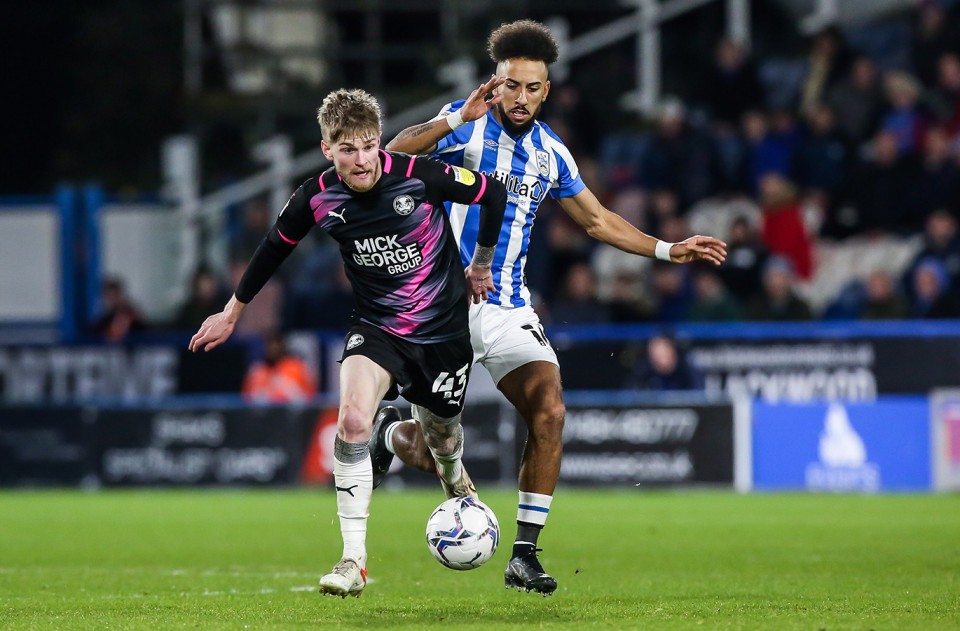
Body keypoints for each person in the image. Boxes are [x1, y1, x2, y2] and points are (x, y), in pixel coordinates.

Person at [376, 19, 728, 595]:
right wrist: (457, 117)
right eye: (511, 86)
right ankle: (388, 435)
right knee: (443, 451)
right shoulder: (463, 126)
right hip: (440, 308)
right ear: (496, 82)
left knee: (550, 410)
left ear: (547, 89)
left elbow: (596, 219)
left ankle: (524, 553)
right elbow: (391, 154)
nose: (520, 98)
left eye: (533, 88)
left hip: (509, 307)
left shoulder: (550, 153)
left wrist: (668, 248)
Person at [189, 88, 508, 598]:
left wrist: (482, 263)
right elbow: (273, 250)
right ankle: (352, 560)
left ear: (378, 141)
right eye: (347, 149)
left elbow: (492, 194)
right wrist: (232, 312)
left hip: (444, 332)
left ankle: (450, 477)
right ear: (327, 149)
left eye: (367, 146)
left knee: (442, 444)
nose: (360, 160)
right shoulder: (315, 196)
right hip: (377, 327)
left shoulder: (417, 174)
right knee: (352, 418)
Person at [241, 331, 317, 404]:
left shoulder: (296, 367)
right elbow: (247, 400)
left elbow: (309, 397)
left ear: (282, 347)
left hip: (291, 413)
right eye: (270, 345)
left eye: (276, 345)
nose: (273, 349)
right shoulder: (257, 371)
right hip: (264, 415)